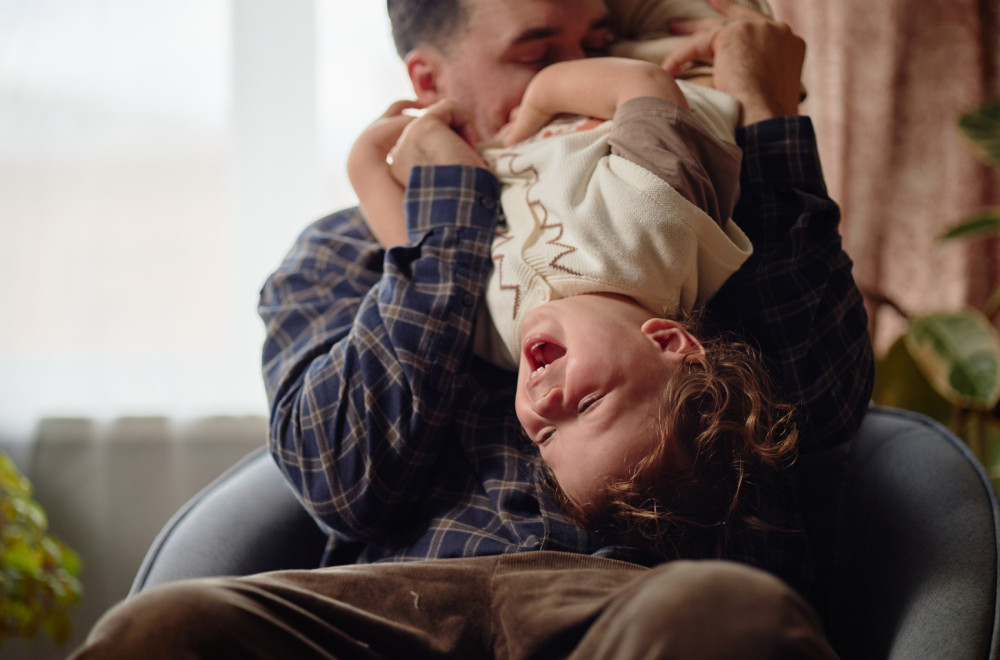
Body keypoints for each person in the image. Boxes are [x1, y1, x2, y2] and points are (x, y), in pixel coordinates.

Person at [69, 1, 873, 657]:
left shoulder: (667, 197)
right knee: (156, 633)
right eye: (534, 56)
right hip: (400, 606)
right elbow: (341, 476)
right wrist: (446, 224)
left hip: (639, 597)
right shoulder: (342, 250)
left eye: (593, 43)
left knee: (727, 618)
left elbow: (822, 399)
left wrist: (766, 114)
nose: (561, 80)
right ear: (429, 79)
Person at [348, 53, 797, 549]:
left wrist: (366, 161)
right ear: (667, 340)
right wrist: (534, 104)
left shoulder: (496, 334)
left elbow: (411, 248)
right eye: (588, 403)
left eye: (545, 438)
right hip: (669, 61)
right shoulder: (657, 223)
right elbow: (642, 83)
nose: (545, 404)